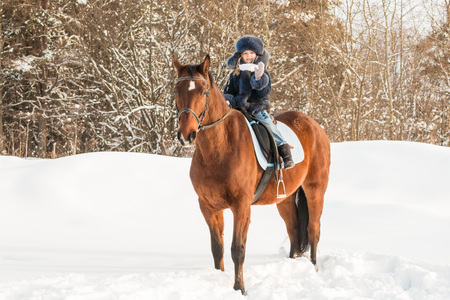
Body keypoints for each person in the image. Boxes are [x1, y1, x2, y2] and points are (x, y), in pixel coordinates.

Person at [223, 35, 294, 169]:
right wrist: (227, 99)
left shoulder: (262, 71)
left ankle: (284, 150)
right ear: (241, 55)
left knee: (268, 124)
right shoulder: (235, 73)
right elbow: (228, 91)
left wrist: (258, 79)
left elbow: (264, 92)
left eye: (251, 53)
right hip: (237, 108)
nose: (248, 56)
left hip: (256, 107)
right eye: (245, 53)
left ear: (256, 54)